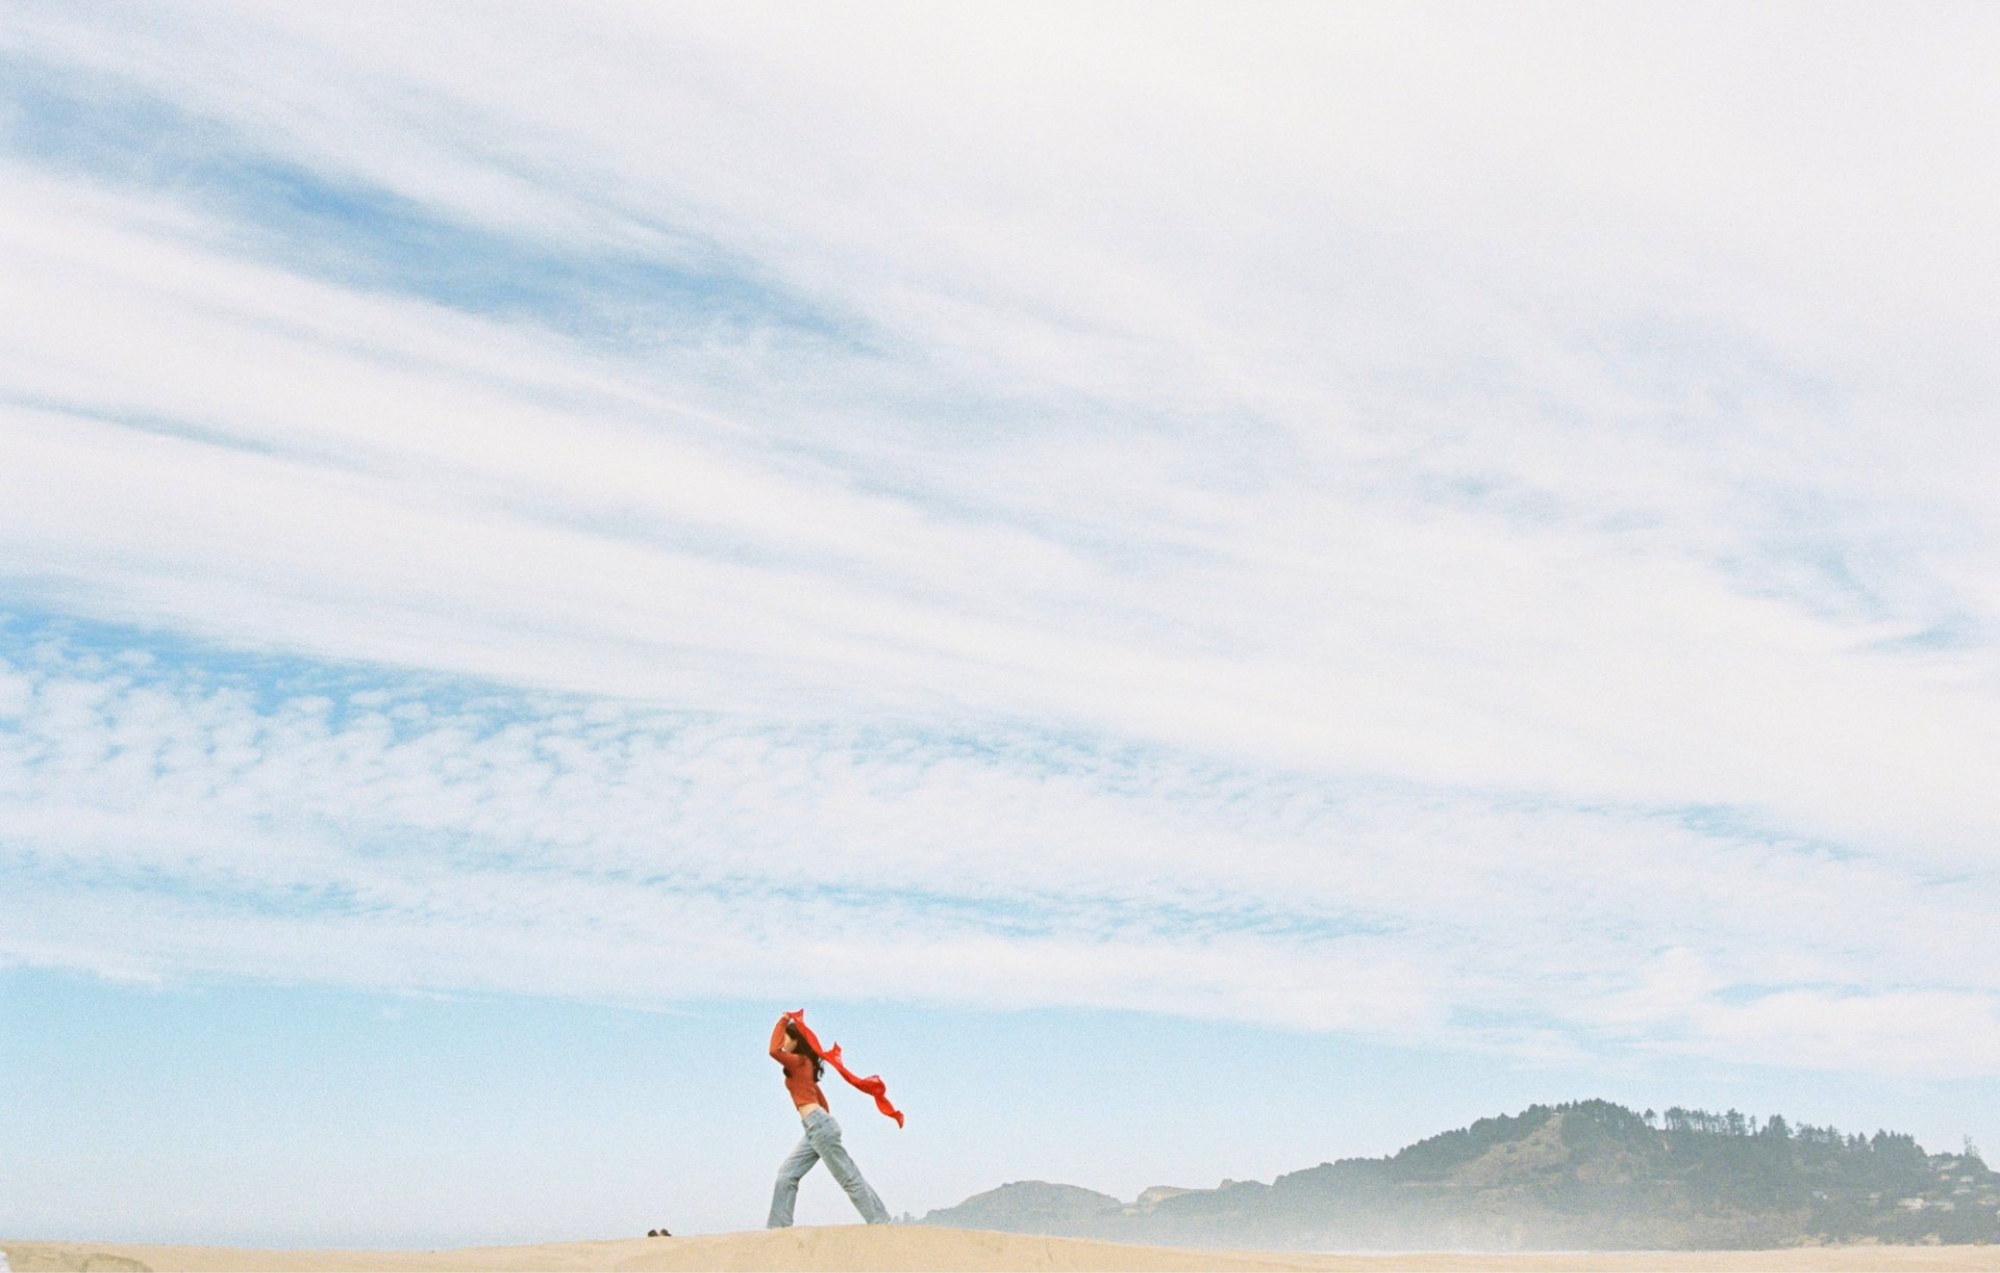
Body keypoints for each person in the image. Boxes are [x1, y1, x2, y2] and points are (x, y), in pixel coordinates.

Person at [766, 1010, 895, 1227]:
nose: (782, 1042)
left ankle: (879, 1221)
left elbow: (772, 1051)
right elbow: (822, 1102)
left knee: (847, 1176)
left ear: (796, 1041)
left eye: (786, 1038)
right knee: (786, 1174)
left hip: (818, 1126)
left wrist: (783, 1019)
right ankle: (779, 1228)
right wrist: (820, 1122)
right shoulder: (802, 1065)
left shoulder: (800, 1061)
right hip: (815, 1127)